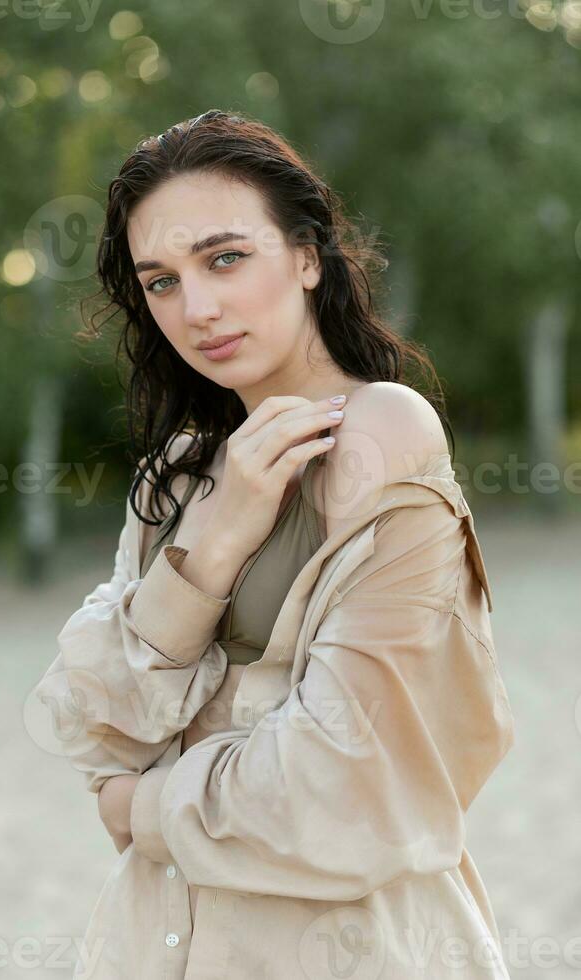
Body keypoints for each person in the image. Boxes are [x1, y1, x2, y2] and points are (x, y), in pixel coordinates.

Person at [34, 109, 515, 979]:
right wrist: (213, 545)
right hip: (156, 944)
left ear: (305, 256)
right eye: (161, 281)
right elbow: (88, 723)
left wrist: (141, 808)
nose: (198, 308)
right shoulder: (180, 472)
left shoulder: (382, 431)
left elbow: (347, 788)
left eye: (224, 258)